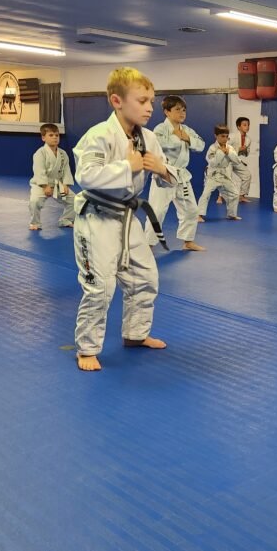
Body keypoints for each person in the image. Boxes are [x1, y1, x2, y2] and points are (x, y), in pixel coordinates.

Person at [71, 67, 175, 372]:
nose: (149, 107)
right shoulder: (99, 135)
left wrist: (162, 170)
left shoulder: (150, 138)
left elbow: (170, 178)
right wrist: (126, 167)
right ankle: (87, 348)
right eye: (142, 100)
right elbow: (85, 176)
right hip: (97, 218)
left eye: (152, 101)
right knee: (101, 286)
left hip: (128, 219)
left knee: (145, 279)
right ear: (117, 100)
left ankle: (135, 334)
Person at [147, 95, 205, 251]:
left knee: (191, 210)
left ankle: (188, 241)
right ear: (167, 112)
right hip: (164, 174)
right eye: (177, 109)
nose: (182, 113)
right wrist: (177, 138)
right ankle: (149, 244)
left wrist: (188, 139)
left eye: (184, 110)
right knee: (157, 211)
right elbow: (158, 144)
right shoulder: (160, 129)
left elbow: (200, 145)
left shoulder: (187, 130)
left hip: (181, 176)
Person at [29, 122, 75, 230]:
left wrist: (66, 184)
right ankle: (35, 223)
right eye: (51, 135)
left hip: (57, 185)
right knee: (35, 201)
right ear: (43, 138)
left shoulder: (63, 154)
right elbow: (39, 171)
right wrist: (45, 186)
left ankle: (66, 220)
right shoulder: (40, 153)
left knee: (75, 201)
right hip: (41, 185)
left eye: (57, 135)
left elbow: (66, 170)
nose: (55, 137)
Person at [197, 124, 242, 221]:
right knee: (206, 194)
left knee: (235, 193)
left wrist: (228, 153)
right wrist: (221, 152)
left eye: (226, 136)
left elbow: (237, 161)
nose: (225, 139)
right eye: (222, 136)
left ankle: (231, 214)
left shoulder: (230, 148)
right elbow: (213, 163)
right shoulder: (212, 148)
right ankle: (199, 215)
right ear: (216, 136)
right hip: (213, 175)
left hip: (224, 175)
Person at [228, 116, 253, 203]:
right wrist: (239, 149)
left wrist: (245, 150)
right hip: (226, 160)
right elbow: (225, 147)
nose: (247, 127)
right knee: (226, 177)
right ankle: (220, 197)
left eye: (248, 125)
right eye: (244, 125)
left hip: (236, 160)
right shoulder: (232, 136)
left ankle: (241, 196)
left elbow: (246, 154)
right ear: (239, 127)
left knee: (247, 175)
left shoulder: (248, 139)